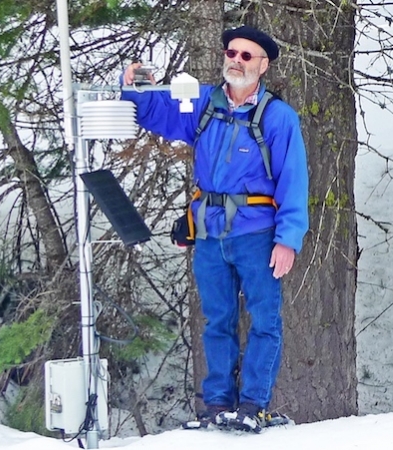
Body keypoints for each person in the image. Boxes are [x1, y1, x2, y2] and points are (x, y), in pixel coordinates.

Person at [120, 25, 309, 432]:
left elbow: (294, 181)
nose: (236, 60)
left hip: (257, 235)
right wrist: (139, 90)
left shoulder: (277, 117)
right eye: (231, 52)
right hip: (210, 235)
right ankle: (217, 405)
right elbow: (158, 116)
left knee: (264, 321)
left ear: (263, 65)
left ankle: (253, 405)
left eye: (246, 56)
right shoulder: (205, 102)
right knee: (217, 320)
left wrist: (288, 239)